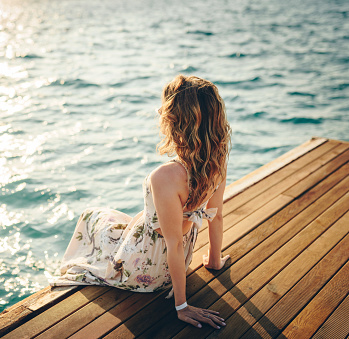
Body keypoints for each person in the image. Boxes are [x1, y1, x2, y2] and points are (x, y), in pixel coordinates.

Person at [50, 74, 231, 329]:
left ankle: (66, 267)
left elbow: (172, 242)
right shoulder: (217, 162)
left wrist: (182, 306)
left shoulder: (166, 176)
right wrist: (214, 261)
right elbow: (216, 216)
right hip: (179, 260)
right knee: (116, 220)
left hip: (148, 268)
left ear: (174, 121)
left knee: (92, 216)